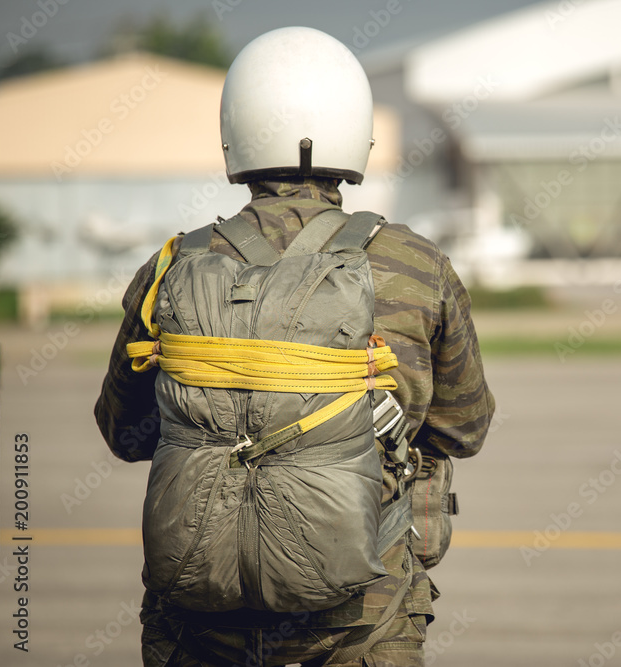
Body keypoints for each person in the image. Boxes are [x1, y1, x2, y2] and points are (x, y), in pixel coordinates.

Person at [94, 26, 494, 667]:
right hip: (360, 624)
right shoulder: (417, 265)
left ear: (236, 133)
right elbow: (462, 430)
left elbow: (125, 432)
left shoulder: (175, 264)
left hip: (199, 627)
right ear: (355, 131)